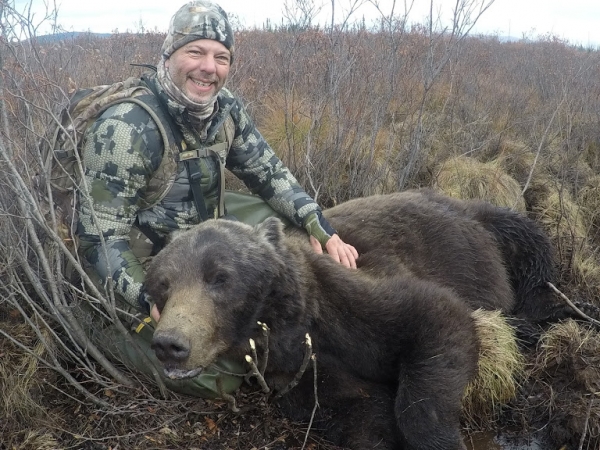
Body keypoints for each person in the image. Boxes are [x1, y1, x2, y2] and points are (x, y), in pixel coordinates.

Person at [75, 0, 358, 397]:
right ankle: (91, 323)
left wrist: (320, 227)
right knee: (219, 376)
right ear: (169, 55)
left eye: (220, 56)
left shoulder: (224, 110)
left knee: (291, 235)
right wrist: (147, 299)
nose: (209, 67)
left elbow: (270, 175)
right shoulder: (127, 128)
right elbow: (99, 239)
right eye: (195, 51)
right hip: (138, 258)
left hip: (197, 234)